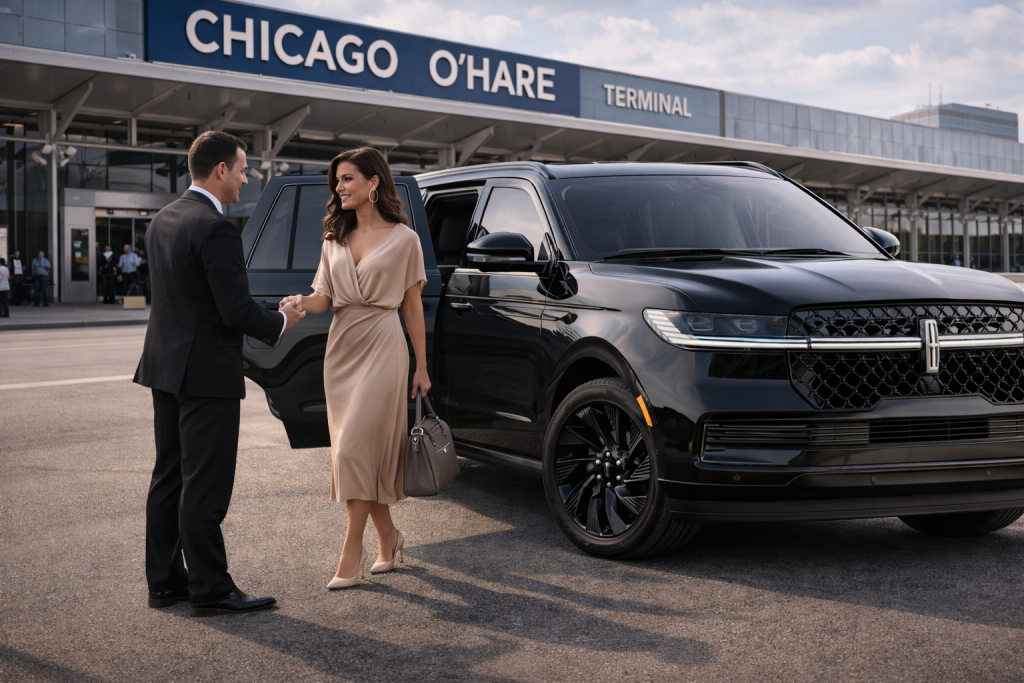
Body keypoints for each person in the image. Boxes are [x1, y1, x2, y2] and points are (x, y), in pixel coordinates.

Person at [134, 130, 304, 617]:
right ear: (220, 170)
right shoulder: (217, 228)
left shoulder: (163, 220)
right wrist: (281, 320)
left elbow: (195, 300)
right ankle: (211, 588)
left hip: (165, 368)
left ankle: (165, 582)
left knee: (169, 477)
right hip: (206, 374)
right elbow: (233, 312)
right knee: (204, 485)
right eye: (243, 168)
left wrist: (267, 309)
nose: (247, 177)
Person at [280, 147, 428, 589]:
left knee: (351, 453)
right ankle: (389, 537)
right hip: (342, 350)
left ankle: (351, 552)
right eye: (337, 181)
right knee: (355, 453)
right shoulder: (334, 238)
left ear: (373, 183)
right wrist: (300, 303)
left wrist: (422, 366)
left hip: (384, 345)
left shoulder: (405, 239)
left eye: (347, 179)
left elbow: (413, 308)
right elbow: (325, 298)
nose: (339, 188)